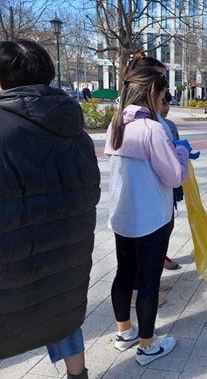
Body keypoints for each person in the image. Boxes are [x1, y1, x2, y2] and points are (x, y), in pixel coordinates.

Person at [0, 39, 100, 379]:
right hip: (65, 256)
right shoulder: (77, 132)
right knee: (62, 313)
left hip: (11, 261)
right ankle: (78, 374)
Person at [104, 52, 190, 366]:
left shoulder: (117, 124)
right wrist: (180, 152)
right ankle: (147, 345)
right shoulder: (153, 129)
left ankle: (123, 332)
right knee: (149, 280)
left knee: (124, 273)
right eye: (163, 96)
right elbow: (175, 175)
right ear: (152, 93)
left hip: (122, 216)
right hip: (152, 217)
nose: (164, 101)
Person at [159, 90, 182, 270]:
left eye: (168, 104)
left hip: (171, 184)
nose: (166, 108)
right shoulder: (149, 127)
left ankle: (161, 255)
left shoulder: (171, 125)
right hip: (156, 185)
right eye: (163, 103)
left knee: (169, 223)